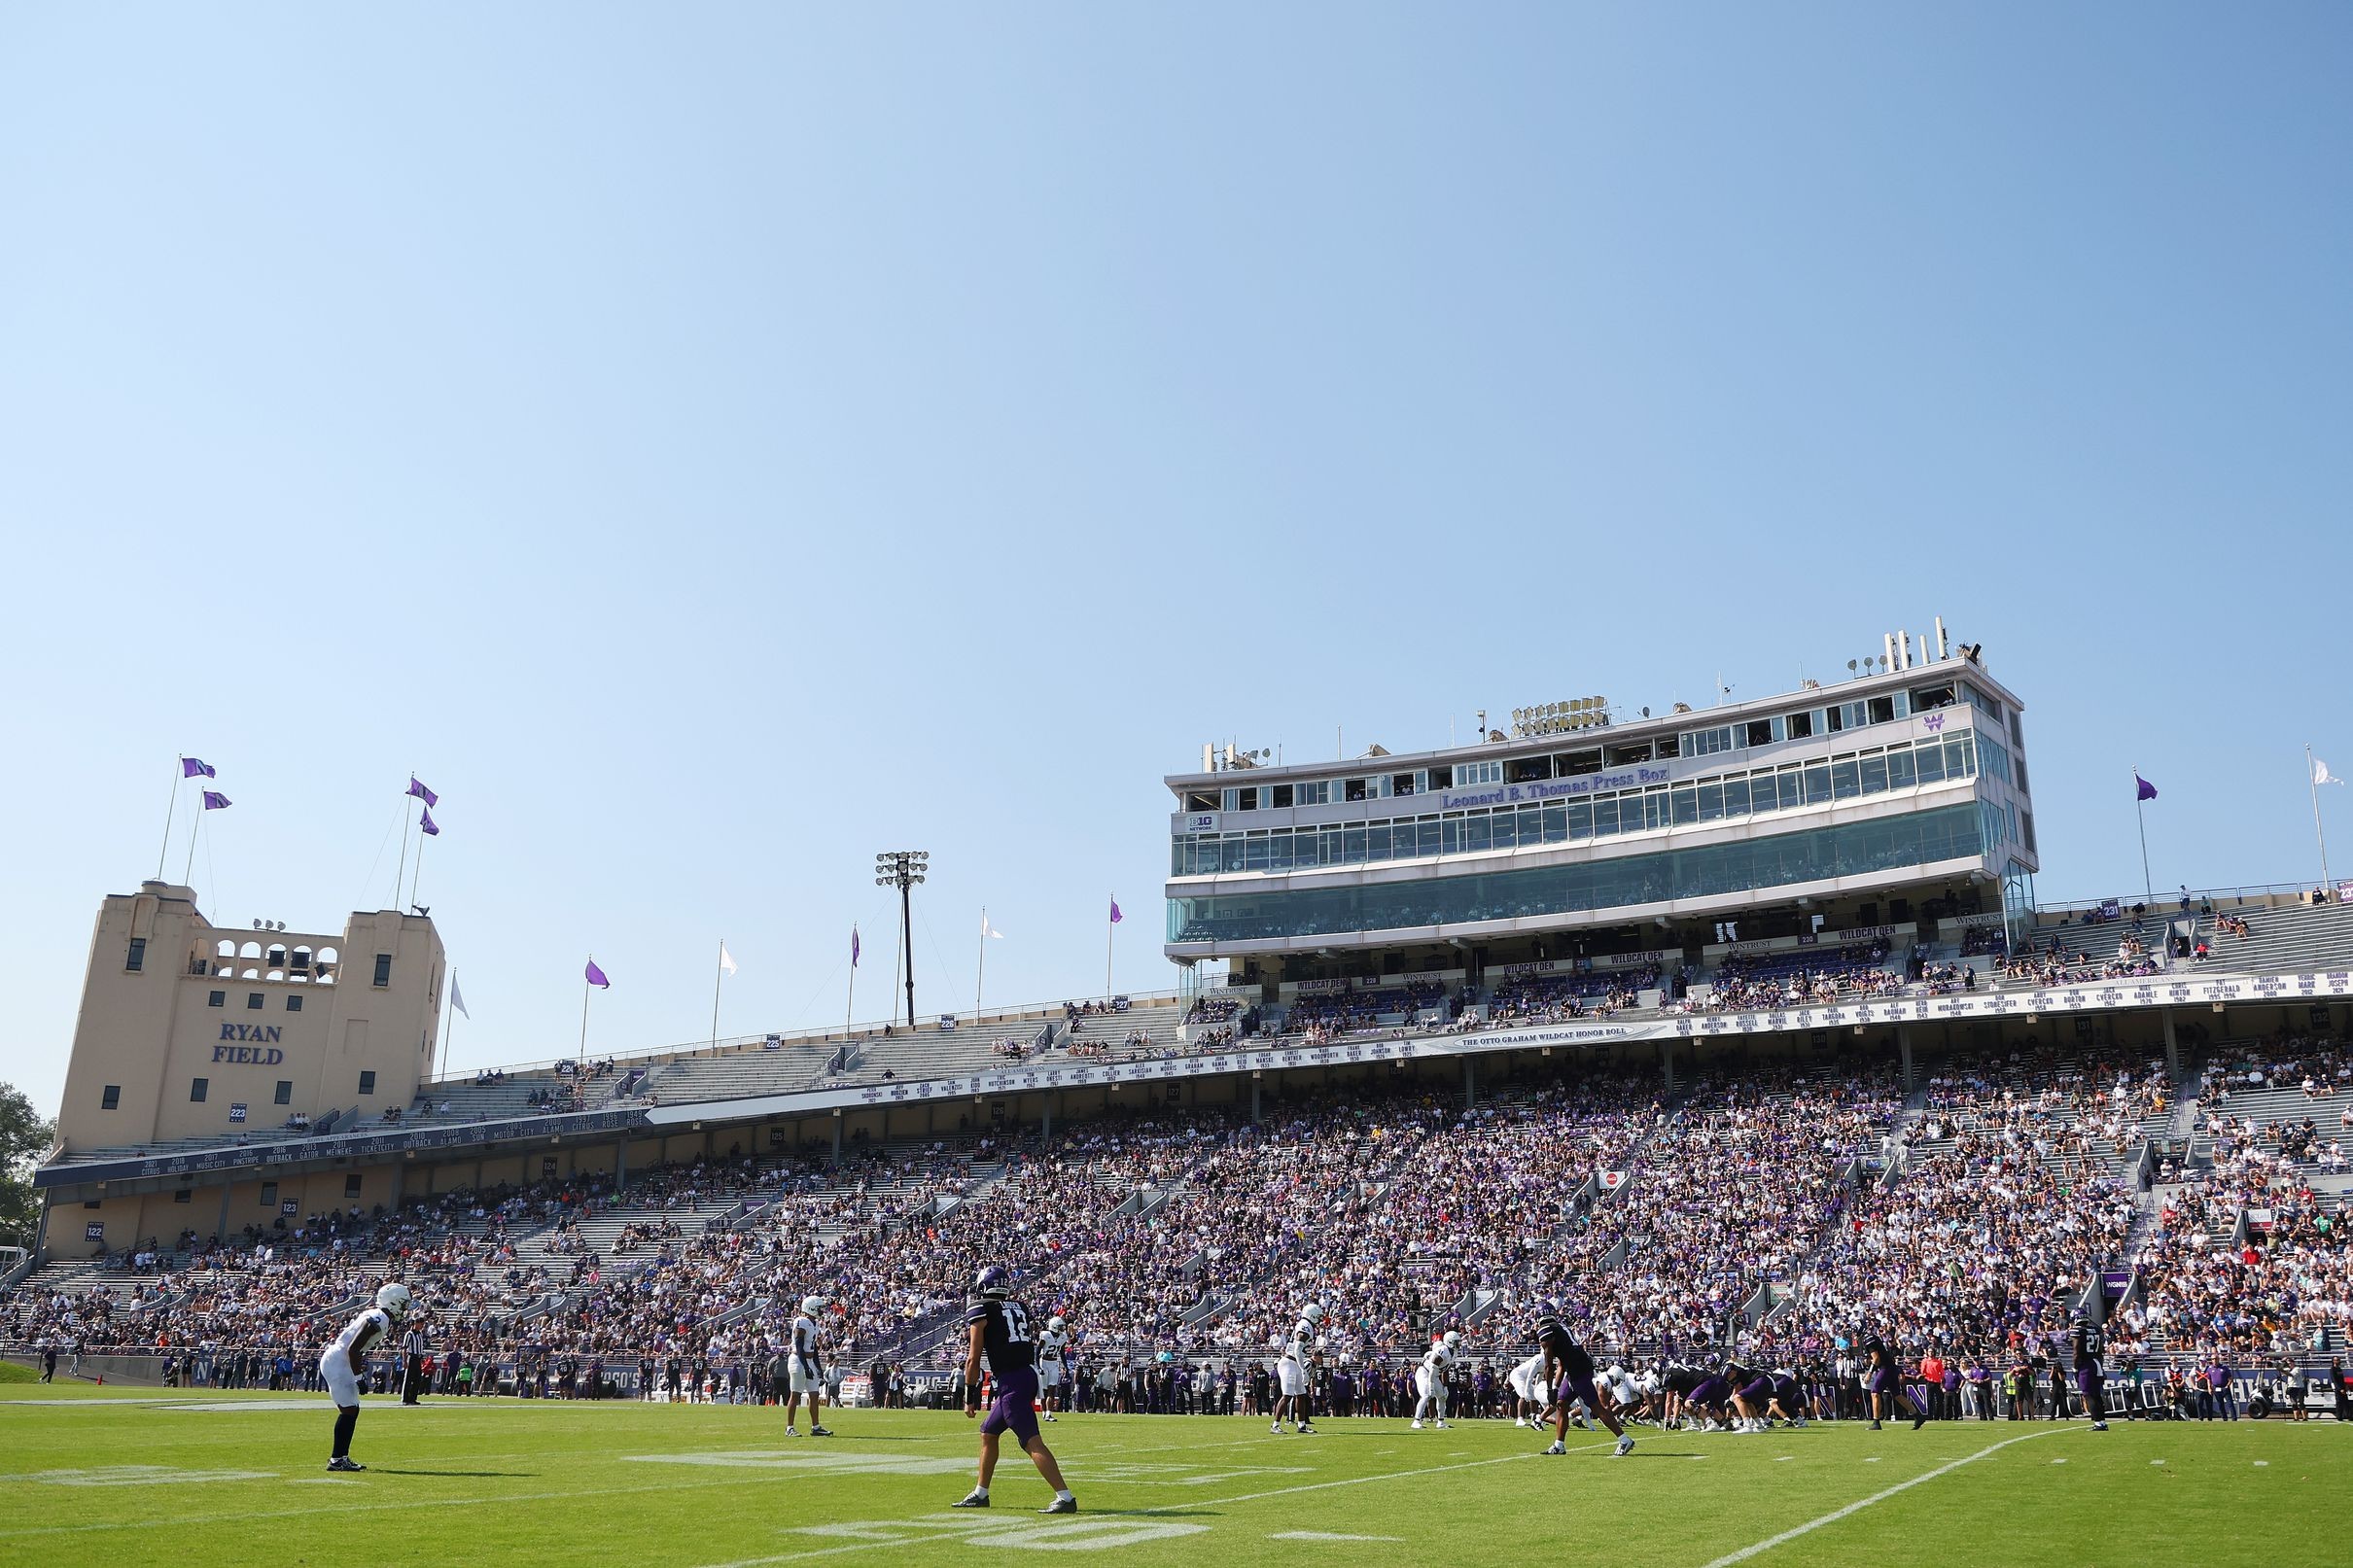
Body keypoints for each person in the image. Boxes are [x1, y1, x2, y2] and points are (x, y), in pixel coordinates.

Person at [954, 1265, 1076, 1515]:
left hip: (1012, 1380)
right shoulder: (1019, 1306)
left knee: (1031, 1441)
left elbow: (973, 1357)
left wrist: (969, 1395)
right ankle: (981, 1493)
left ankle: (1065, 1497)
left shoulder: (980, 1308)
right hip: (1027, 1374)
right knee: (989, 1432)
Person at [322, 1282, 410, 1472]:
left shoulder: (379, 1315)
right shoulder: (380, 1318)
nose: (404, 1309)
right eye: (403, 1304)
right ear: (393, 1302)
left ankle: (340, 1458)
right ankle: (337, 1460)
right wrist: (359, 1377)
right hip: (340, 1360)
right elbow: (354, 1349)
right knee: (348, 1410)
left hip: (340, 1359)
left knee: (351, 1410)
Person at [1532, 1300, 1633, 1458]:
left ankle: (1624, 1439)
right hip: (1577, 1366)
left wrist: (1550, 1388)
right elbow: (1561, 1363)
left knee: (1596, 1407)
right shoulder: (1560, 1328)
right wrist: (1555, 1388)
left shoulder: (1546, 1330)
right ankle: (1559, 1445)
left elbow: (1549, 1365)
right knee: (1561, 1403)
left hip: (1577, 1369)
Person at [784, 1295, 834, 1436]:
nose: (821, 1311)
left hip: (809, 1361)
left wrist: (818, 1367)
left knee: (814, 1395)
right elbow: (799, 1346)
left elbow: (814, 1348)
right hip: (798, 1361)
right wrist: (805, 1366)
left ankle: (816, 1427)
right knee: (795, 1395)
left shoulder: (814, 1323)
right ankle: (789, 1428)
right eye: (819, 1308)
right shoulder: (801, 1322)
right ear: (811, 1308)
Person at [1272, 1304, 1324, 1435]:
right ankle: (1275, 1425)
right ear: (1312, 1315)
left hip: (1294, 1362)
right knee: (1288, 1395)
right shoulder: (1305, 1325)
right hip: (1289, 1362)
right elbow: (1297, 1349)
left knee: (1301, 1394)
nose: (1319, 1319)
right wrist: (1303, 1369)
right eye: (1318, 1317)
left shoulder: (1306, 1325)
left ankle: (1301, 1425)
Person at [1864, 1330, 1928, 1431]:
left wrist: (1869, 1373)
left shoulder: (1868, 1340)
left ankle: (1876, 1422)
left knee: (1875, 1393)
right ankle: (1918, 1416)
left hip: (1885, 1368)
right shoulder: (1873, 1338)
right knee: (1897, 1395)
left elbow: (1876, 1359)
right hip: (1891, 1368)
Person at [1412, 1330, 1459, 1431]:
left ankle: (1441, 1422)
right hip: (1425, 1373)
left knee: (1442, 1396)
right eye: (1456, 1342)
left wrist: (1445, 1386)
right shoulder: (1442, 1351)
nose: (1458, 1344)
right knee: (1426, 1395)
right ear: (1449, 1341)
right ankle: (1416, 1421)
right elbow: (1432, 1370)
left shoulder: (1453, 1353)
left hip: (1435, 1375)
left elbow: (1445, 1370)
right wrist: (1431, 1385)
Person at [2070, 1310, 2110, 1432]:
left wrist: (2075, 1367)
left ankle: (2098, 1422)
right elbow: (2101, 1351)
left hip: (2086, 1364)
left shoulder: (2078, 1331)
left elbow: (2076, 1352)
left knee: (2088, 1394)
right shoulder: (2096, 1329)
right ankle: (2102, 1422)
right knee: (2096, 1395)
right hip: (2096, 1362)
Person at [1036, 1315, 1071, 1422]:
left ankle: (1049, 1414)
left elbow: (1062, 1353)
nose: (1062, 1329)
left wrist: (1066, 1367)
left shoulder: (1063, 1337)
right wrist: (1038, 1366)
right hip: (1044, 1362)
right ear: (1054, 1326)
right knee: (1044, 1391)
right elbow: (1037, 1352)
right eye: (1060, 1326)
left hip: (1054, 1363)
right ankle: (1044, 1412)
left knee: (1052, 1389)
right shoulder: (1045, 1335)